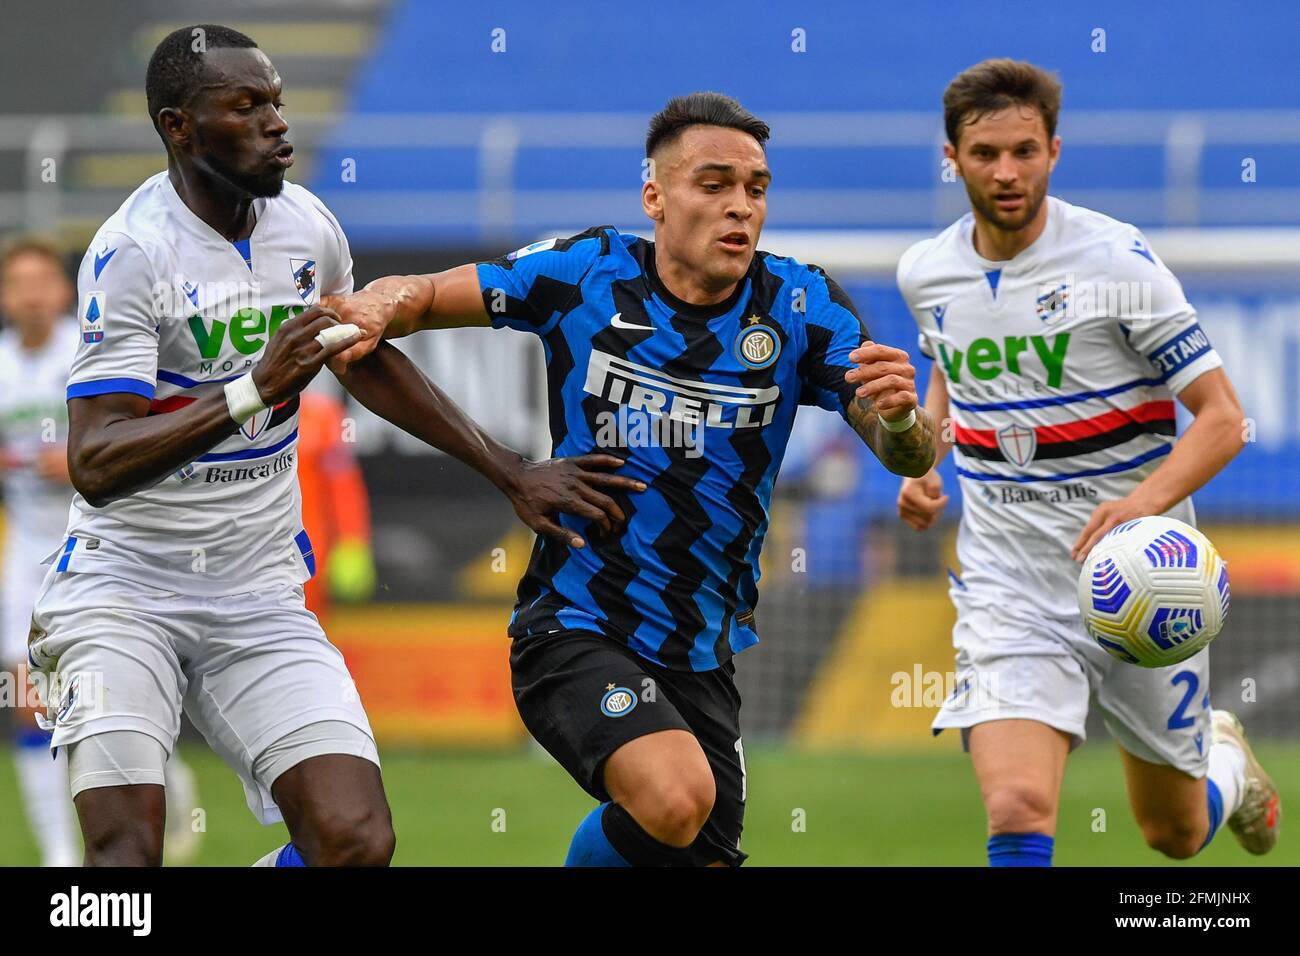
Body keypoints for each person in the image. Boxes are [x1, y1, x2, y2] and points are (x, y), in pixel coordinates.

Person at [31, 24, 640, 867]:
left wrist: (508, 470)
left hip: (257, 593)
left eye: (277, 101)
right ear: (179, 127)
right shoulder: (133, 253)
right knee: (124, 860)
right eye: (245, 106)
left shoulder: (308, 227)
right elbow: (96, 463)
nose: (277, 122)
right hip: (124, 588)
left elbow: (364, 360)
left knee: (356, 843)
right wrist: (252, 388)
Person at [326, 91, 936, 866]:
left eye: (755, 188)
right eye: (713, 184)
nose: (739, 207)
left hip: (702, 652)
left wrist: (906, 421)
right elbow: (420, 300)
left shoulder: (802, 304)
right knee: (677, 796)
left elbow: (898, 452)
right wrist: (387, 300)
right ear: (655, 196)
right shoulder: (588, 274)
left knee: (687, 838)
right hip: (576, 624)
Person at [894, 58, 1279, 866]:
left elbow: (1222, 419)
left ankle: (1230, 770)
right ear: (951, 157)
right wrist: (923, 457)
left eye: (1025, 151)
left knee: (1172, 836)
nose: (1006, 171)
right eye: (986, 153)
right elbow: (947, 362)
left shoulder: (1117, 264)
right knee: (1018, 806)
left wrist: (1141, 507)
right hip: (1010, 588)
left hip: (1143, 577)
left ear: (1055, 152)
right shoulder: (926, 271)